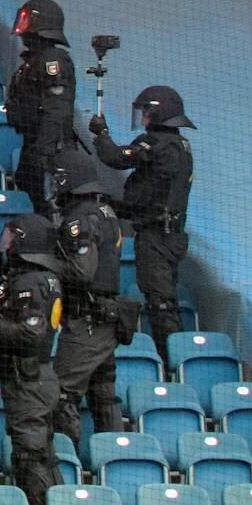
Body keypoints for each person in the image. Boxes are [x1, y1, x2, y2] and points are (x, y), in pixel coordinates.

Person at [91, 85, 194, 365]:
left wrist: (101, 135)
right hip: (170, 234)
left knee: (161, 304)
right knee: (164, 299)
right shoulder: (179, 146)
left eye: (146, 112)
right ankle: (173, 358)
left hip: (157, 237)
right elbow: (151, 194)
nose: (143, 118)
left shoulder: (158, 144)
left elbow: (116, 158)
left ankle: (172, 363)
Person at [0, 212, 66, 505]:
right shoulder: (45, 277)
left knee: (30, 455)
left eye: (10, 237)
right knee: (42, 452)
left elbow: (30, 333)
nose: (4, 243)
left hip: (28, 379)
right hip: (39, 376)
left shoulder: (30, 282)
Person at [51, 150, 131, 445]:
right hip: (105, 321)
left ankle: (65, 459)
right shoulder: (106, 212)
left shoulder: (81, 218)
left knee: (61, 393)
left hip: (87, 321)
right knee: (103, 393)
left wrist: (49, 265)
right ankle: (115, 457)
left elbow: (82, 271)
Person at [6, 0, 75, 205]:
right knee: (27, 192)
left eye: (26, 21)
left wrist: (43, 153)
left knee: (46, 204)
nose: (22, 29)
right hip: (33, 144)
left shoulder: (52, 61)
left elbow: (56, 110)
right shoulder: (34, 61)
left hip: (49, 151)